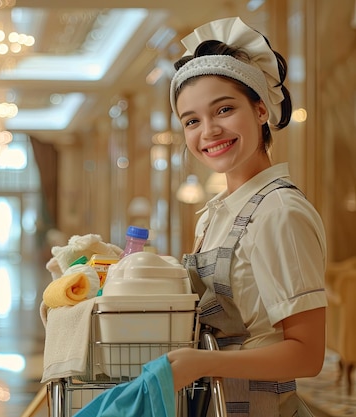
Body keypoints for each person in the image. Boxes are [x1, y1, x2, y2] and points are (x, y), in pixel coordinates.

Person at [166, 17, 327, 416]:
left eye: (224, 109)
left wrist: (206, 363)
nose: (209, 131)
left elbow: (307, 356)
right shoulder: (216, 213)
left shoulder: (279, 212)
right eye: (192, 120)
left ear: (259, 109)